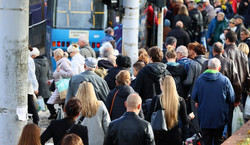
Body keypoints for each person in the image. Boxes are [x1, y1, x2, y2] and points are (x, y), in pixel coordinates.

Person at [192, 58, 235, 145]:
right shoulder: (225, 80)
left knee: (206, 140)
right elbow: (231, 98)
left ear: (208, 67)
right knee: (218, 140)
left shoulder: (200, 80)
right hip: (219, 118)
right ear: (219, 68)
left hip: (204, 118)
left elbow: (194, 96)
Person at [146, 75, 194, 145]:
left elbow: (148, 118)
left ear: (162, 86)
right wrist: (190, 116)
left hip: (159, 135)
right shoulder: (180, 100)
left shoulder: (157, 100)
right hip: (175, 136)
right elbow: (185, 121)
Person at [47, 48, 74, 119]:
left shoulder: (63, 63)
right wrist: (52, 81)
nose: (53, 57)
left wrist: (60, 71)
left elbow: (71, 73)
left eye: (54, 55)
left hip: (61, 88)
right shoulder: (60, 62)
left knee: (50, 103)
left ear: (58, 56)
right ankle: (63, 118)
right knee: (63, 104)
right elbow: (59, 77)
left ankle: (54, 115)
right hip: (60, 87)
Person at [30, 47, 51, 115]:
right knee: (47, 99)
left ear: (33, 55)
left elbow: (36, 75)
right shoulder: (46, 61)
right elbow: (48, 73)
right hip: (46, 82)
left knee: (33, 100)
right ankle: (53, 112)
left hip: (38, 83)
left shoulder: (34, 63)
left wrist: (35, 86)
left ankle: (34, 114)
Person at [28, 46, 39, 125]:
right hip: (28, 85)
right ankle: (35, 118)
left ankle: (36, 119)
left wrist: (35, 87)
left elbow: (32, 74)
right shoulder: (29, 59)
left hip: (27, 85)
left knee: (30, 103)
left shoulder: (29, 60)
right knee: (29, 102)